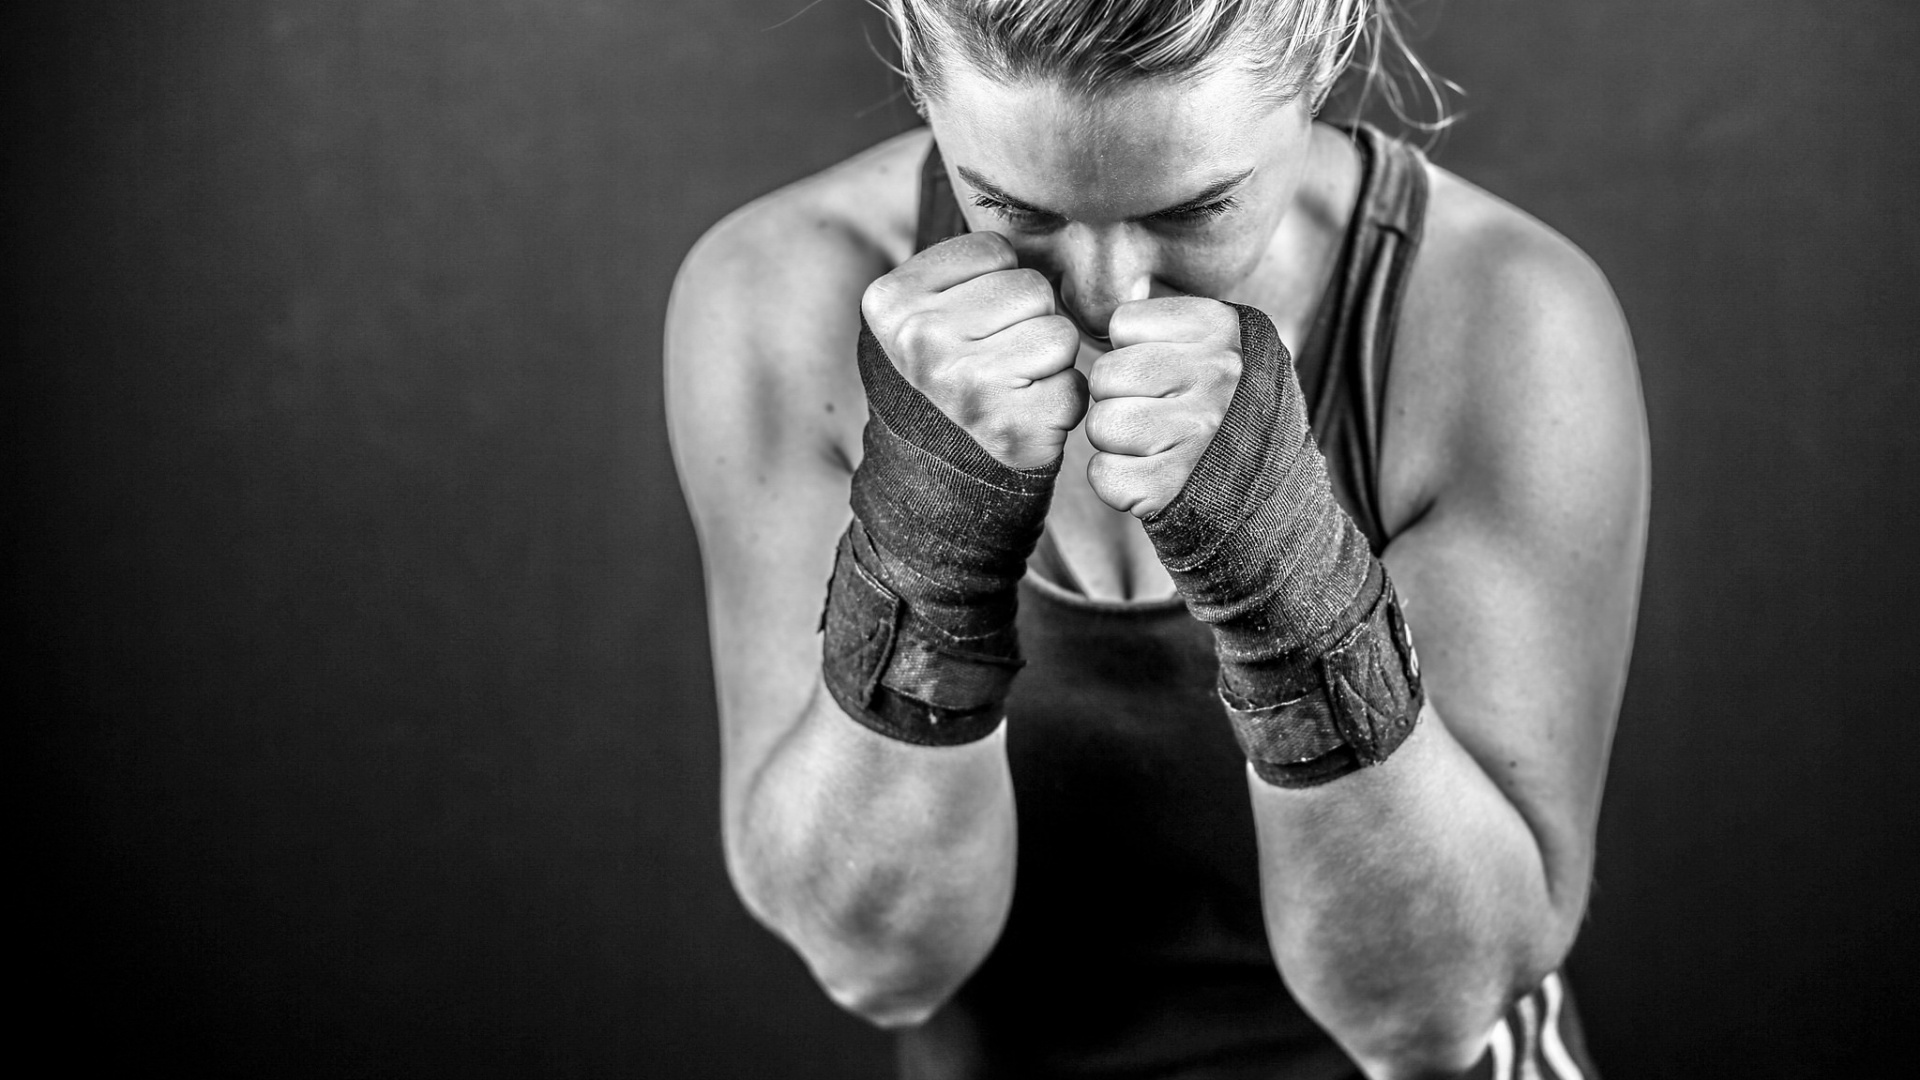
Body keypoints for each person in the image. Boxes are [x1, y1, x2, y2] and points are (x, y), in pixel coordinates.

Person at [666, 1, 1646, 1076]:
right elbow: (879, 961)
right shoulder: (779, 293)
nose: (1101, 296)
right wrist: (925, 544)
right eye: (1010, 205)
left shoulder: (1501, 319)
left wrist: (1288, 574)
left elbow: (1428, 1015)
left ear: (1320, 68)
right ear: (921, 78)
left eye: (1196, 208)